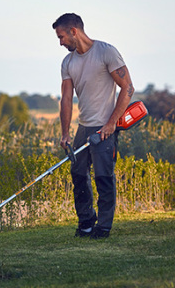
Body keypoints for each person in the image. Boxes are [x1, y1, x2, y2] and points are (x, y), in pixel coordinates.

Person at [54, 13, 134, 239]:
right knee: (78, 173)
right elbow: (67, 99)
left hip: (105, 127)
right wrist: (65, 134)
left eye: (61, 37)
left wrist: (111, 125)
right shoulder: (68, 63)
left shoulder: (106, 52)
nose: (60, 42)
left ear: (73, 32)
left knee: (103, 177)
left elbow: (127, 88)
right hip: (84, 127)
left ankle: (104, 226)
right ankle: (87, 222)